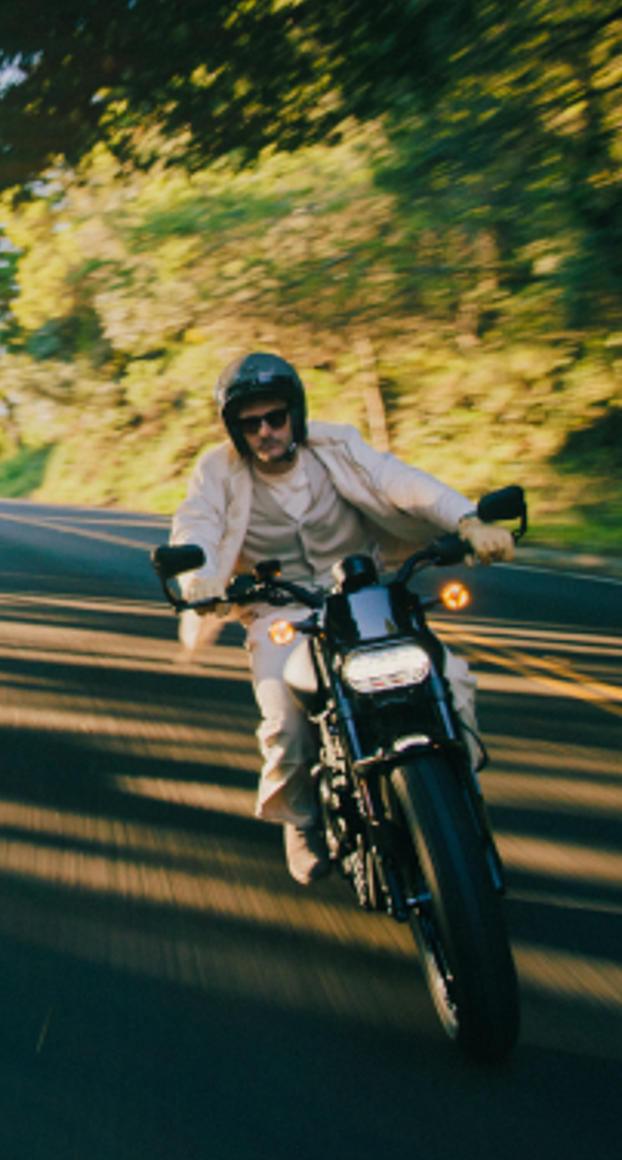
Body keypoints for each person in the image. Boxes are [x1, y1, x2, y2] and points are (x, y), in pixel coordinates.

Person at [168, 351, 515, 885]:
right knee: (285, 720)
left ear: (295, 413)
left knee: (450, 680)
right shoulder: (217, 470)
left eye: (275, 416)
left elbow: (400, 480)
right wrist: (201, 580)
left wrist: (467, 520)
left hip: (365, 594)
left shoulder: (337, 445)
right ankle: (301, 817)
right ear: (235, 430)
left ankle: (459, 802)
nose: (265, 431)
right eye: (250, 423)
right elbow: (196, 525)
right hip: (277, 608)